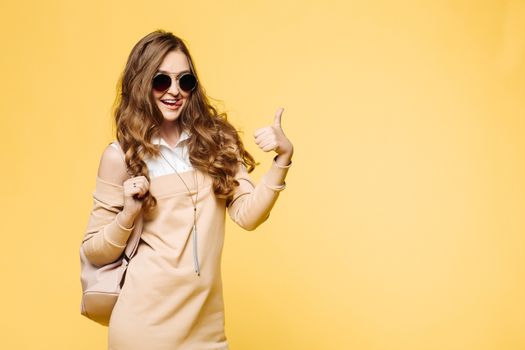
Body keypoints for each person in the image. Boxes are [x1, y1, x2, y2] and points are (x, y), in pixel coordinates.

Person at [80, 29, 294, 350]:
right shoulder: (120, 155)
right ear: (141, 84)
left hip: (206, 328)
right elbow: (93, 250)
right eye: (161, 81)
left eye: (185, 81)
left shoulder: (216, 141)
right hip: (143, 330)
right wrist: (128, 212)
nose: (175, 91)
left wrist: (282, 159)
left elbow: (248, 216)